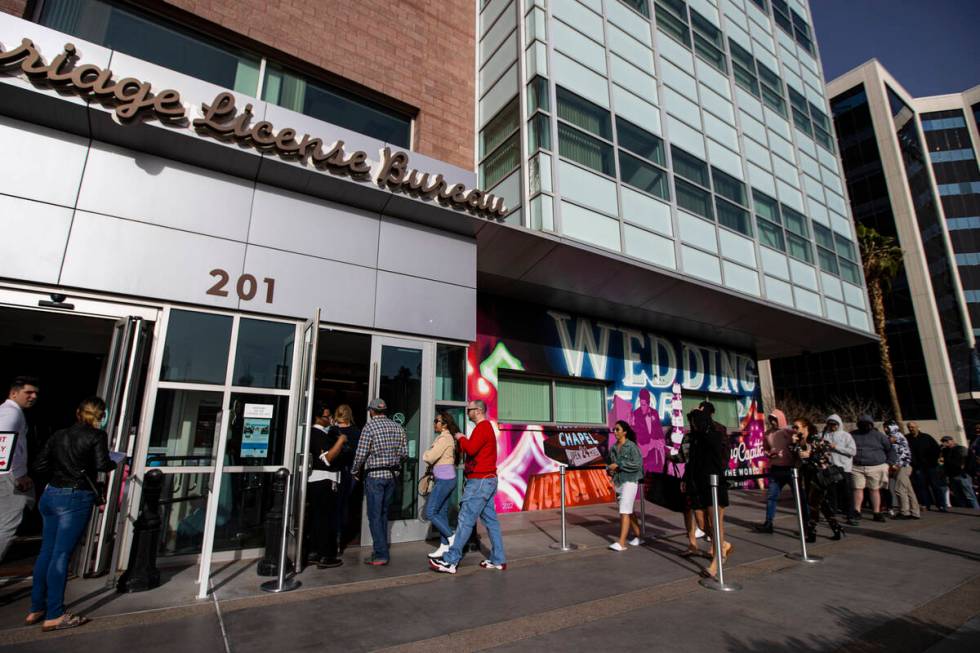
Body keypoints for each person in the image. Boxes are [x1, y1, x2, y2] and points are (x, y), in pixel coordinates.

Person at [26, 396, 115, 631]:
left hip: (51, 494)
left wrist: (61, 470)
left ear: (78, 412)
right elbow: (103, 464)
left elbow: (39, 466)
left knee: (46, 551)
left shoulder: (58, 435)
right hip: (74, 497)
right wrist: (113, 462)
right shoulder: (96, 436)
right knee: (61, 555)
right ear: (101, 415)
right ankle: (55, 613)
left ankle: (36, 608)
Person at [429, 400, 506, 574]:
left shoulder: (483, 427)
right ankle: (498, 559)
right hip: (487, 480)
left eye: (469, 410)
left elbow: (470, 449)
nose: (467, 412)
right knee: (491, 521)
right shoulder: (486, 428)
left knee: (465, 520)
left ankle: (451, 561)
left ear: (478, 411)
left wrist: (461, 437)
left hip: (479, 481)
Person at [352, 398, 407, 566]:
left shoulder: (369, 427)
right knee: (383, 513)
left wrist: (354, 470)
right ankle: (381, 549)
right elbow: (404, 454)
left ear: (371, 411)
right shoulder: (398, 427)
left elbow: (361, 454)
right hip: (392, 476)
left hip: (375, 476)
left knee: (375, 516)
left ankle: (381, 554)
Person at [685, 410, 731, 578]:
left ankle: (717, 561)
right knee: (702, 524)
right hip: (698, 485)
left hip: (714, 484)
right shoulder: (694, 438)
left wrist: (703, 432)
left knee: (715, 523)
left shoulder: (714, 435)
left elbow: (718, 455)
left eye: (694, 422)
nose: (692, 425)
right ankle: (723, 545)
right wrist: (686, 479)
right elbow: (690, 461)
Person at [0, 376, 39, 562]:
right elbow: (4, 442)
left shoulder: (6, 411)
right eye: (28, 392)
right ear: (14, 393)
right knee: (7, 525)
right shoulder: (12, 413)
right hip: (8, 476)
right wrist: (19, 474)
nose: (33, 396)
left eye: (35, 393)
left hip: (7, 474)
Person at [307, 402, 348, 568]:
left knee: (318, 518)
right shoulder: (317, 434)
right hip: (324, 480)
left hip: (320, 481)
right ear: (318, 417)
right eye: (327, 416)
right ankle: (326, 555)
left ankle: (315, 551)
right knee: (326, 519)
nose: (330, 419)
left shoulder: (323, 433)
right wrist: (341, 440)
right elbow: (328, 458)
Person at [795, 418, 844, 542]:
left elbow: (825, 452)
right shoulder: (799, 440)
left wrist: (810, 454)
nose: (795, 430)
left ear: (805, 427)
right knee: (821, 504)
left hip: (818, 475)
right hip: (806, 474)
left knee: (813, 504)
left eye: (797, 427)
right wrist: (795, 444)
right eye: (793, 428)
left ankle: (812, 532)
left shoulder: (815, 439)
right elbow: (797, 456)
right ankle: (836, 528)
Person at [424, 411, 460, 559]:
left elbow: (429, 457)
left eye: (436, 421)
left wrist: (426, 453)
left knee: (430, 512)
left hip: (444, 479)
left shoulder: (444, 438)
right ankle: (444, 546)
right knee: (442, 514)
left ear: (444, 424)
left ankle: (451, 537)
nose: (434, 423)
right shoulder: (445, 437)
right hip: (445, 478)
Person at [755, 409, 798, 533]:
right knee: (771, 497)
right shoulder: (768, 433)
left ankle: (806, 523)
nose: (773, 422)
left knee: (799, 497)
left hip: (790, 469)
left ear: (780, 419)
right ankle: (768, 523)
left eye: (775, 419)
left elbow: (797, 445)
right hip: (776, 468)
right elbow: (765, 448)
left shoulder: (789, 431)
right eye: (771, 420)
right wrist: (769, 453)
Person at [850, 415, 896, 522]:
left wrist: (889, 463)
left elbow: (890, 449)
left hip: (876, 466)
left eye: (867, 424)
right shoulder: (852, 435)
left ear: (871, 425)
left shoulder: (879, 435)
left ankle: (876, 512)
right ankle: (857, 511)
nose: (865, 426)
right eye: (862, 424)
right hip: (857, 467)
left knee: (874, 490)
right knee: (857, 489)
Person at [606, 420, 643, 551]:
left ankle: (621, 543)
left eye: (617, 429)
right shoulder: (613, 448)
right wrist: (609, 469)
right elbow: (609, 463)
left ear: (624, 432)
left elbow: (638, 464)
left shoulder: (631, 446)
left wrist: (619, 465)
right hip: (618, 481)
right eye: (614, 429)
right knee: (628, 510)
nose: (615, 432)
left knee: (624, 511)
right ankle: (639, 535)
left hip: (630, 480)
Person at [332, 404, 361, 552]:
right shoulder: (356, 431)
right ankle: (340, 538)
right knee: (345, 505)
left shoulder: (332, 430)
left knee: (334, 506)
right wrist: (357, 474)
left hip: (334, 472)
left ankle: (334, 539)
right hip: (350, 472)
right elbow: (360, 454)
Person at [822, 414, 857, 521]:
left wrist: (836, 447)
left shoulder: (846, 436)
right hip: (830, 467)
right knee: (831, 492)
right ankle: (832, 513)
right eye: (830, 424)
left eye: (834, 424)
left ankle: (850, 515)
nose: (832, 426)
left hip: (844, 468)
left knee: (847, 492)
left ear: (839, 424)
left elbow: (852, 451)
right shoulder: (825, 435)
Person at [907, 422, 946, 512]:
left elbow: (936, 449)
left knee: (935, 485)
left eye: (913, 427)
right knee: (921, 486)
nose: (911, 428)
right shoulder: (907, 438)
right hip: (918, 467)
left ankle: (941, 505)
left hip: (930, 466)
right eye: (909, 427)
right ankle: (926, 504)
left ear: (917, 427)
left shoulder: (926, 437)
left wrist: (932, 460)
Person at [885, 420, 920, 519]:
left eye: (886, 427)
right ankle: (915, 512)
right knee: (909, 490)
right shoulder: (899, 436)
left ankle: (904, 512)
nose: (885, 429)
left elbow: (903, 453)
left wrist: (897, 464)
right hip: (904, 466)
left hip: (902, 467)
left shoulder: (896, 437)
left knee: (899, 489)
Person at [631, 388, 666, 472]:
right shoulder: (636, 414)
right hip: (643, 450)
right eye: (641, 404)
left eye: (644, 405)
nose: (642, 408)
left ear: (649, 403)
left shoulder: (655, 413)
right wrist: (649, 443)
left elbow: (659, 431)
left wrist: (661, 441)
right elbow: (635, 434)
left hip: (654, 453)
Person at [941, 436, 979, 509]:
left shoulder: (960, 449)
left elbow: (966, 461)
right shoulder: (945, 451)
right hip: (952, 476)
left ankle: (976, 510)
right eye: (944, 442)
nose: (945, 443)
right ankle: (964, 510)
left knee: (969, 495)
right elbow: (945, 463)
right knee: (958, 496)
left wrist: (966, 471)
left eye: (947, 441)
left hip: (962, 475)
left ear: (952, 441)